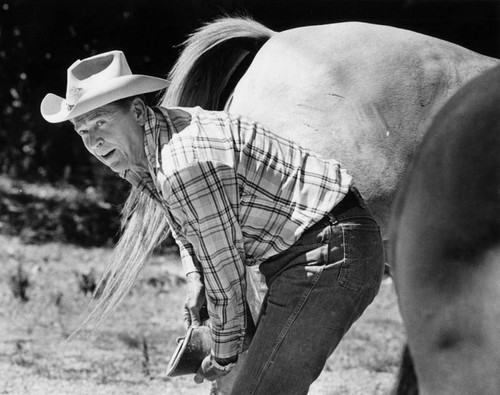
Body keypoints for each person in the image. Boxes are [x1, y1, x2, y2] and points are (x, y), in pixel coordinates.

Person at [41, 50, 385, 394]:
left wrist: (222, 358)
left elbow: (225, 275)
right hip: (314, 246)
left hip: (328, 251)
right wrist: (194, 277)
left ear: (136, 110)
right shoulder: (158, 140)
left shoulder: (181, 162)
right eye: (82, 130)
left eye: (101, 122)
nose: (93, 141)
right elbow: (183, 220)